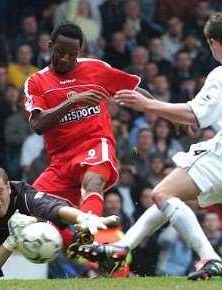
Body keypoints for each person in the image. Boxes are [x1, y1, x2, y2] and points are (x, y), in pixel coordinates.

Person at [78, 2, 222, 280]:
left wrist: (146, 105)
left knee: (162, 194)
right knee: (168, 199)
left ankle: (210, 257)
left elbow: (193, 114)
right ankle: (121, 248)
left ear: (213, 42)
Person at [24, 22, 144, 250]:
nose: (66, 59)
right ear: (49, 46)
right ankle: (105, 257)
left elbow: (132, 93)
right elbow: (38, 124)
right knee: (32, 212)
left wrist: (165, 110)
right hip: (60, 162)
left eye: (73, 54)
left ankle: (88, 231)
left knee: (93, 182)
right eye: (60, 52)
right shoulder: (36, 82)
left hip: (95, 144)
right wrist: (72, 101)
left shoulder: (96, 69)